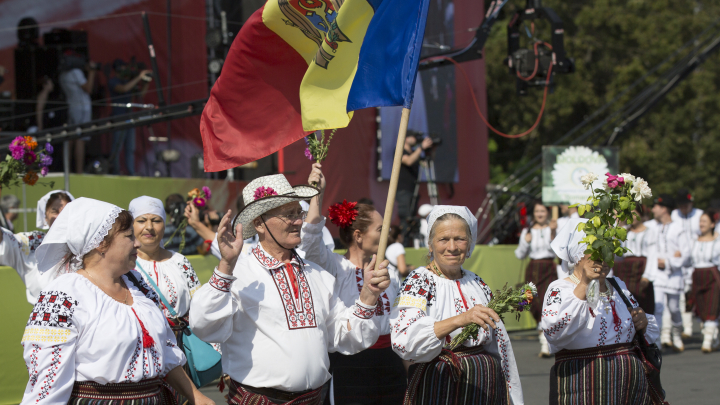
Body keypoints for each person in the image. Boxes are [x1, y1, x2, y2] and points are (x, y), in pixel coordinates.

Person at [190, 174, 390, 404]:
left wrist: (367, 296)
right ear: (258, 223)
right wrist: (225, 266)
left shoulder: (319, 275)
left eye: (299, 213)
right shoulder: (239, 273)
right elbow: (203, 325)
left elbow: (345, 337)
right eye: (288, 215)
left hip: (313, 398)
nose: (298, 221)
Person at [20, 197, 213, 405]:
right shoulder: (63, 296)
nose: (137, 243)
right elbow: (47, 383)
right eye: (129, 236)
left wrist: (197, 397)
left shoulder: (136, 283)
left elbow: (166, 351)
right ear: (101, 243)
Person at [390, 205, 523, 405]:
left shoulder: (476, 282)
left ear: (470, 244)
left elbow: (499, 342)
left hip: (485, 381)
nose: (452, 247)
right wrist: (460, 320)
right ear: (430, 244)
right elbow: (405, 339)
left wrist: (510, 392)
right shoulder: (418, 281)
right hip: (440, 380)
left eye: (460, 239)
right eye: (443, 239)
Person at [303, 163, 406, 405]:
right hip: (350, 363)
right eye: (380, 229)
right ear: (358, 236)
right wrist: (316, 194)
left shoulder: (389, 271)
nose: (386, 234)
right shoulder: (334, 267)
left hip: (390, 361)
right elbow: (310, 238)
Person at [543, 218, 659, 404]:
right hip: (583, 383)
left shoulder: (617, 285)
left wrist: (643, 322)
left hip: (629, 385)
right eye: (595, 251)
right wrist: (585, 283)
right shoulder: (560, 288)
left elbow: (644, 329)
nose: (603, 258)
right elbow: (554, 332)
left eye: (607, 251)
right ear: (578, 254)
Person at [0, 190, 74, 303]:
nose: (60, 216)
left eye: (65, 212)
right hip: (42, 317)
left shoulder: (84, 246)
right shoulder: (34, 241)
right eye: (55, 211)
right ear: (45, 216)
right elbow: (7, 240)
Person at [514, 200, 557, 357]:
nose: (540, 214)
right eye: (537, 212)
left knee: (547, 303)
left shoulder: (553, 229)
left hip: (548, 268)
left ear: (547, 213)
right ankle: (545, 340)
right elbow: (519, 254)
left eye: (543, 211)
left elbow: (558, 251)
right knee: (533, 302)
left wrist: (552, 234)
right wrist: (526, 242)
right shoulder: (528, 231)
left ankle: (546, 344)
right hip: (533, 269)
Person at [650, 194, 691, 351]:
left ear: (664, 209)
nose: (653, 210)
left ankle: (677, 334)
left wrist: (668, 261)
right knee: (658, 308)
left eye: (656, 207)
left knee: (674, 309)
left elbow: (686, 255)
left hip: (673, 275)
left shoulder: (679, 228)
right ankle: (658, 340)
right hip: (659, 275)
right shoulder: (655, 228)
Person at [108, 59, 152, 175]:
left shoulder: (128, 81)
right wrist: (138, 78)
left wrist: (146, 82)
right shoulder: (113, 81)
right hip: (119, 117)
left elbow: (139, 95)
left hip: (130, 117)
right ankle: (115, 171)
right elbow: (123, 89)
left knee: (130, 148)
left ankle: (131, 172)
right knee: (117, 146)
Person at [614, 207, 657, 313]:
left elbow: (652, 254)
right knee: (625, 298)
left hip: (641, 268)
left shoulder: (649, 232)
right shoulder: (625, 231)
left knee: (642, 299)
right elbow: (618, 254)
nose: (631, 217)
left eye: (634, 214)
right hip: (626, 268)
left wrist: (647, 275)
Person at [671, 188, 701, 338]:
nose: (684, 208)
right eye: (681, 205)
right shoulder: (674, 215)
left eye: (686, 205)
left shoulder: (699, 215)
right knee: (684, 295)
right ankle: (687, 327)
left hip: (697, 260)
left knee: (696, 293)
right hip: (680, 262)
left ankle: (701, 321)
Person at [688, 210, 720, 353]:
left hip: (712, 276)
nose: (701, 224)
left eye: (705, 221)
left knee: (712, 308)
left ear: (712, 224)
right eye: (700, 221)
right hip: (697, 276)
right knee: (701, 310)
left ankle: (707, 342)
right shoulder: (693, 240)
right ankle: (713, 338)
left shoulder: (717, 241)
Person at [58, 56, 96, 174]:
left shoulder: (62, 76)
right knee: (80, 138)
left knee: (71, 138)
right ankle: (79, 171)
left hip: (72, 107)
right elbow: (88, 88)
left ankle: (67, 169)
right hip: (82, 108)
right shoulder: (75, 72)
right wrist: (92, 72)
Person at [397, 131, 434, 245]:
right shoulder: (399, 150)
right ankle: (404, 244)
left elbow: (427, 165)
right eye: (414, 137)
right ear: (406, 138)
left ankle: (410, 243)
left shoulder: (414, 152)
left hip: (413, 190)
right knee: (406, 218)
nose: (416, 139)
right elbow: (407, 161)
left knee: (412, 219)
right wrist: (421, 148)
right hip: (404, 190)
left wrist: (431, 150)